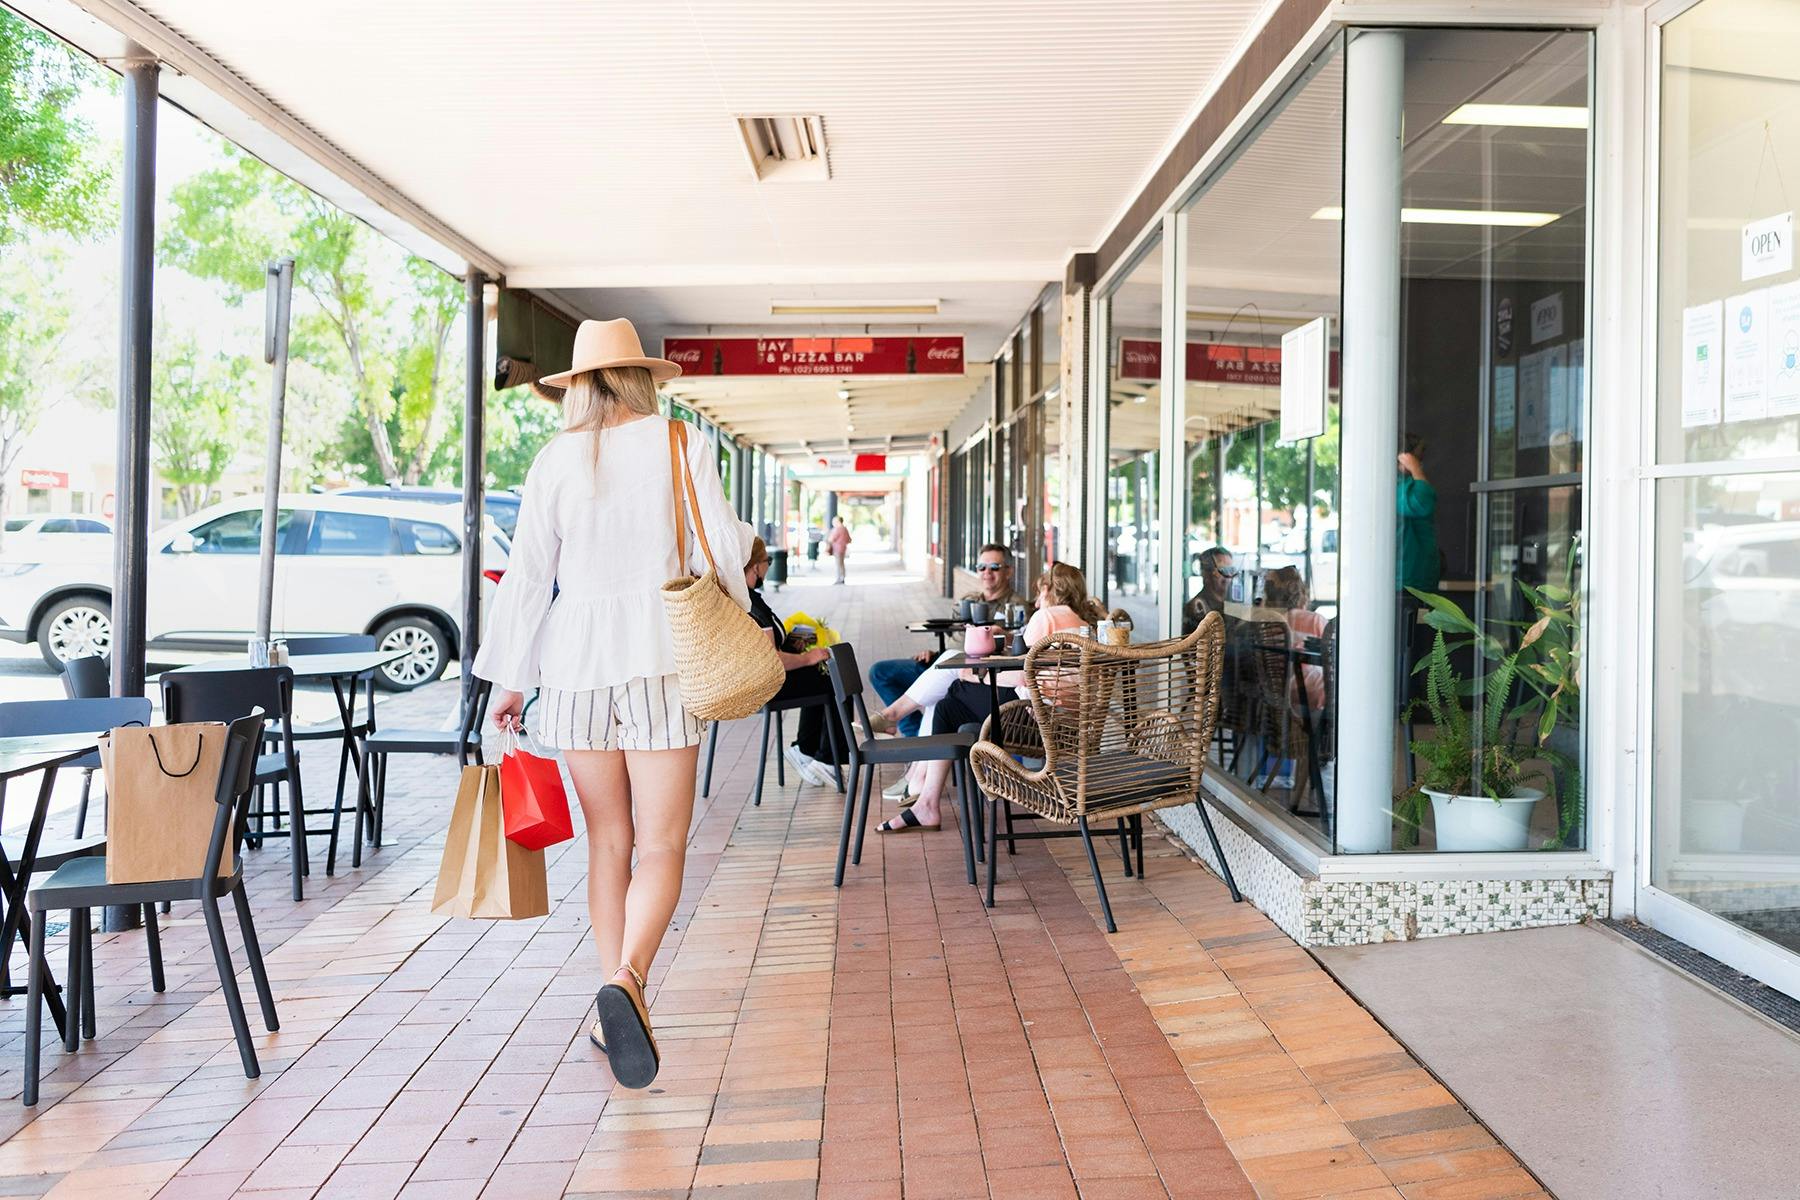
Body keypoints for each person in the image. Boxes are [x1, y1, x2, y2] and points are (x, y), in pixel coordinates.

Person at [476, 317, 750, 1092]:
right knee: (664, 846)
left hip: (574, 667)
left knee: (609, 844)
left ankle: (608, 1005)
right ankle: (628, 981)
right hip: (664, 657)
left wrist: (510, 680)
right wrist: (736, 619)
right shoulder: (680, 443)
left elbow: (529, 575)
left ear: (578, 385)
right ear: (641, 378)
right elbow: (718, 551)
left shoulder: (556, 458)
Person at [877, 563, 1105, 833]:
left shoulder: (1047, 616)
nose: (1037, 600)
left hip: (1032, 719)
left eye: (1039, 593)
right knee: (952, 698)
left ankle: (925, 798)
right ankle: (923, 794)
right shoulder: (1083, 624)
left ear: (1047, 589)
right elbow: (1032, 666)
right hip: (1062, 720)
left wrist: (975, 675)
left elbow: (1022, 673)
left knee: (951, 701)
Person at [867, 543, 1027, 743]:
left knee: (939, 696)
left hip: (971, 673)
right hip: (943, 662)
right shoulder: (968, 600)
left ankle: (898, 722)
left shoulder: (1016, 607)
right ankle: (913, 733)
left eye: (994, 567)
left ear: (1009, 571)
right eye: (981, 567)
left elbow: (1016, 647)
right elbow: (955, 637)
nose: (987, 573)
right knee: (880, 672)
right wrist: (934, 653)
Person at [743, 537, 839, 786]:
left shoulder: (744, 597)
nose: (768, 567)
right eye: (768, 561)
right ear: (756, 566)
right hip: (764, 686)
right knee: (832, 678)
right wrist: (808, 656)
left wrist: (793, 644)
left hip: (752, 681)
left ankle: (808, 750)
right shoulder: (752, 605)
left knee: (821, 676)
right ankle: (827, 758)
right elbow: (771, 659)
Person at [1261, 566, 1325, 710]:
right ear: (1301, 593)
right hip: (1306, 688)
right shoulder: (1314, 620)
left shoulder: (1265, 624)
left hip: (1275, 690)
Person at [1182, 546, 1238, 633]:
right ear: (1206, 574)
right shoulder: (1196, 609)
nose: (1228, 577)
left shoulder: (1232, 604)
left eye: (1231, 570)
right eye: (1223, 570)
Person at [827, 515, 851, 584]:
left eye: (834, 521)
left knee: (838, 564)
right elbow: (849, 539)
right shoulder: (845, 529)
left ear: (838, 521)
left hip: (837, 549)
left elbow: (831, 539)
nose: (833, 523)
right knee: (842, 564)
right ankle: (842, 578)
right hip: (843, 548)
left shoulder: (837, 529)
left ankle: (839, 579)